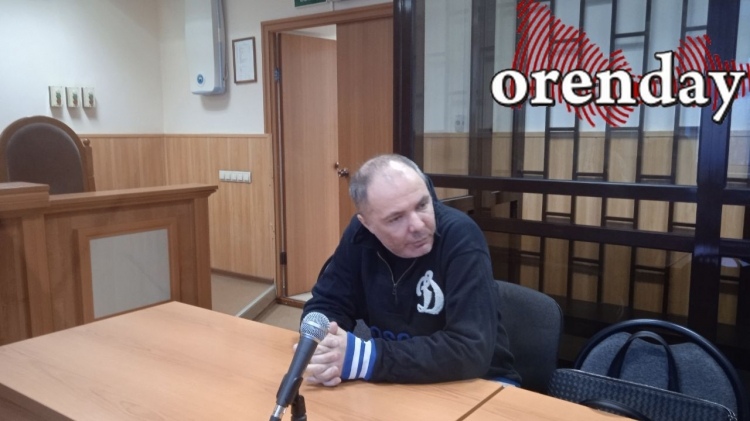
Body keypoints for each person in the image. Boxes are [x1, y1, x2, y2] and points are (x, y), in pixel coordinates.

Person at [300, 154, 520, 386]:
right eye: (396, 218)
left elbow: (471, 350)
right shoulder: (359, 236)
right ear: (368, 224)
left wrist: (366, 358)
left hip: (480, 382)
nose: (417, 225)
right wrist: (326, 349)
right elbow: (326, 304)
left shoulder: (460, 236)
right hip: (397, 378)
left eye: (422, 205)